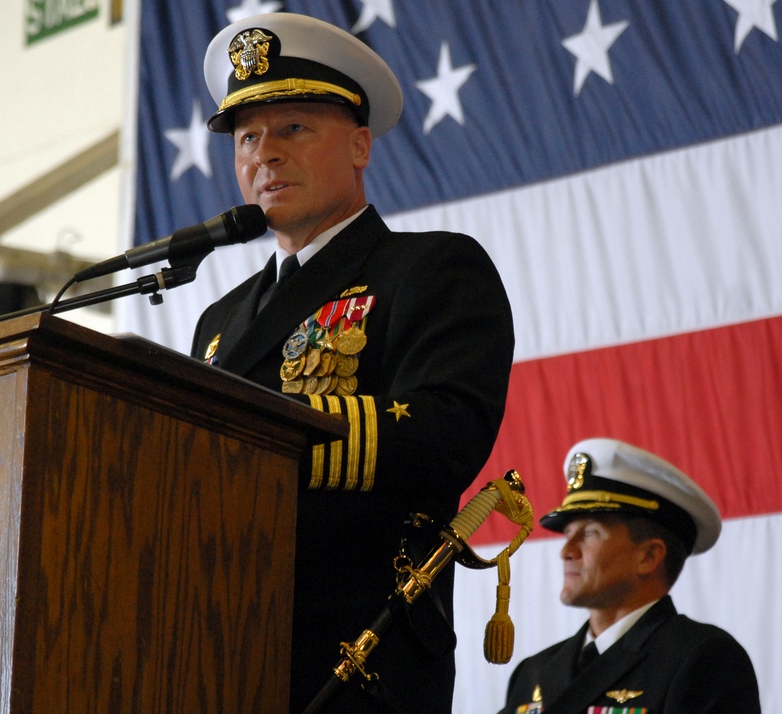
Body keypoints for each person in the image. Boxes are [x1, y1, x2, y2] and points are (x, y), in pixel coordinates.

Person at [192, 12, 515, 713]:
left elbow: (446, 432)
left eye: (294, 129)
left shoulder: (430, 268)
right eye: (248, 137)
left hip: (359, 653)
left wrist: (268, 444)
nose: (265, 154)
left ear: (362, 145)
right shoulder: (218, 324)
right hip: (218, 641)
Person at [499, 437, 761, 714]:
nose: (566, 551)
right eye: (567, 535)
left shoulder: (704, 660)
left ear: (648, 557)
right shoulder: (533, 672)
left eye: (589, 533)